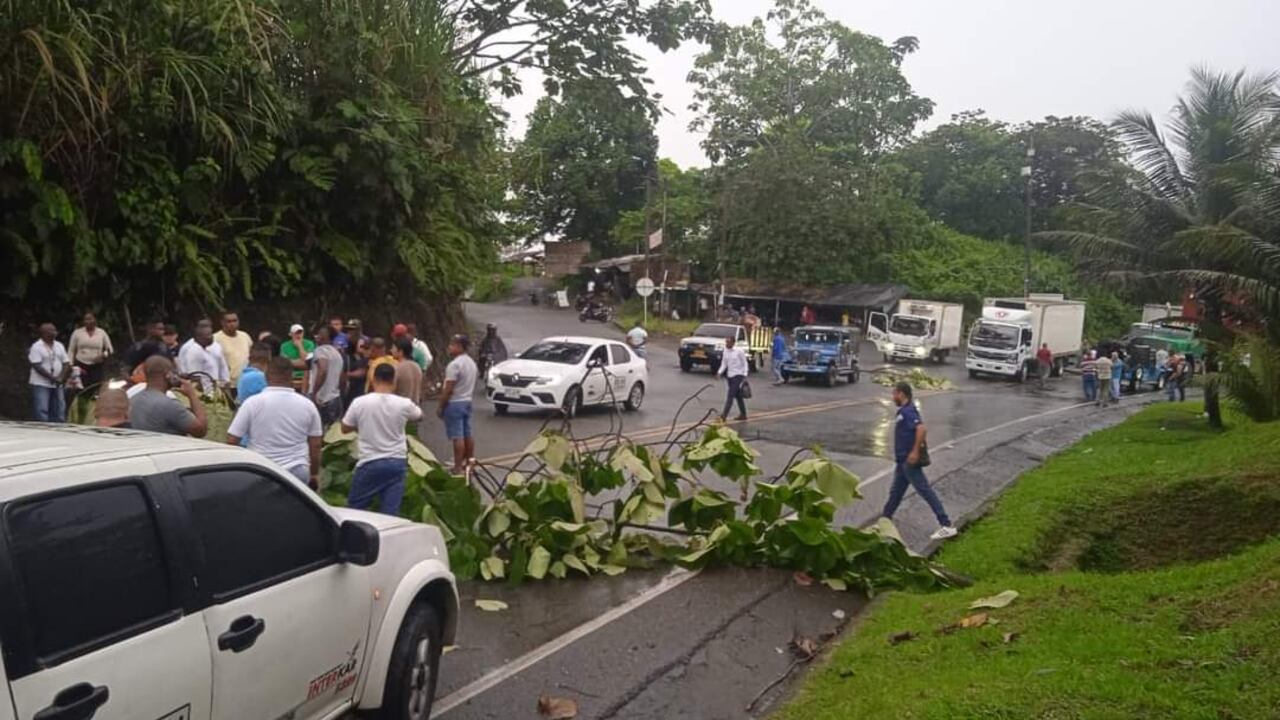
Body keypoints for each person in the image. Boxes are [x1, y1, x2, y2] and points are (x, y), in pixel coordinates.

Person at [228, 357, 324, 488]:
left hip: (262, 470)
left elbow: (232, 440)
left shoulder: (251, 403)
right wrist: (314, 474)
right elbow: (316, 444)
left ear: (266, 376)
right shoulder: (308, 405)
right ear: (291, 377)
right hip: (297, 470)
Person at [341, 363, 423, 514]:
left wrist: (363, 424)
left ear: (373, 379)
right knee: (390, 513)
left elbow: (345, 428)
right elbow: (419, 415)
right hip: (396, 463)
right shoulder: (403, 404)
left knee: (355, 511)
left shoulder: (360, 402)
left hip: (370, 462)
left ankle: (356, 537)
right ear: (394, 381)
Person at [880, 382, 958, 541]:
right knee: (896, 493)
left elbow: (921, 429)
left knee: (925, 491)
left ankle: (946, 525)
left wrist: (915, 451)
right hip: (903, 461)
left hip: (909, 461)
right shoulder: (905, 410)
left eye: (894, 393)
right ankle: (884, 520)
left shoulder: (908, 411)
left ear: (901, 394)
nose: (892, 396)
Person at [130, 356, 208, 437]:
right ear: (168, 375)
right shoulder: (170, 404)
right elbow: (201, 430)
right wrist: (192, 395)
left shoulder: (133, 399)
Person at [438, 334, 478, 474]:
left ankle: (457, 466)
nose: (449, 347)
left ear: (460, 347)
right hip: (467, 400)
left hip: (455, 403)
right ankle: (470, 461)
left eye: (452, 344)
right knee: (468, 433)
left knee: (457, 436)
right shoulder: (471, 363)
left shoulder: (454, 365)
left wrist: (441, 406)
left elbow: (448, 388)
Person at [29, 323, 71, 422]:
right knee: (42, 409)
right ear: (43, 333)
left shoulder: (59, 345)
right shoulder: (36, 347)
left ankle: (59, 429)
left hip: (58, 383)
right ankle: (43, 430)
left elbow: (66, 363)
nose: (54, 332)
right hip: (41, 383)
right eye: (51, 331)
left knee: (59, 408)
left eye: (55, 330)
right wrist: (52, 378)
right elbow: (36, 365)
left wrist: (61, 377)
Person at [177, 319, 230, 392]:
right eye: (203, 327)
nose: (208, 330)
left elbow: (222, 366)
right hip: (203, 393)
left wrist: (225, 383)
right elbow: (194, 376)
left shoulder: (216, 345)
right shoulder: (192, 349)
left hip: (217, 390)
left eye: (209, 327)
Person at [68, 312, 114, 391]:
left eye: (90, 319)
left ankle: (95, 402)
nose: (88, 321)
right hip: (81, 365)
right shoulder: (77, 333)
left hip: (97, 366)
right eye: (85, 319)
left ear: (95, 320)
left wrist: (103, 355)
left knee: (96, 387)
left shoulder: (101, 333)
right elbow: (71, 350)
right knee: (82, 389)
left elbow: (110, 349)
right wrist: (71, 365)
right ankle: (83, 403)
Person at [311, 327, 346, 425]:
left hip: (322, 399)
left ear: (325, 337)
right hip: (335, 398)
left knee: (319, 430)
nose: (317, 336)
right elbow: (342, 378)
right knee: (332, 434)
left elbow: (322, 370)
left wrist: (314, 393)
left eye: (320, 333)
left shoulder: (320, 351)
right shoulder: (337, 354)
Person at [213, 310, 253, 384]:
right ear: (222, 323)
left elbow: (251, 356)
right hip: (226, 384)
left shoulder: (245, 336)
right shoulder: (215, 339)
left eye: (235, 321)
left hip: (245, 382)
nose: (232, 324)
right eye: (229, 321)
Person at [718, 335, 750, 422]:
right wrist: (719, 372)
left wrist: (745, 374)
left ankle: (724, 416)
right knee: (738, 396)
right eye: (726, 342)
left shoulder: (739, 351)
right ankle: (743, 414)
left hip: (738, 376)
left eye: (728, 342)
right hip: (730, 376)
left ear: (733, 343)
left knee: (730, 395)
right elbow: (724, 363)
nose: (727, 344)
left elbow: (745, 363)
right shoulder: (725, 351)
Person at [281, 323, 316, 390]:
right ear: (290, 334)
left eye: (300, 333)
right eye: (296, 333)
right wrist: (301, 362)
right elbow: (285, 362)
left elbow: (307, 361)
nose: (298, 335)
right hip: (291, 376)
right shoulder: (284, 346)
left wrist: (299, 346)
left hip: (306, 377)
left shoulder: (309, 344)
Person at [391, 337, 424, 404]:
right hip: (414, 407)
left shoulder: (397, 368)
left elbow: (392, 389)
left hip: (400, 407)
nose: (391, 350)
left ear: (400, 352)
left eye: (393, 348)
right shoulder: (417, 367)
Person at [345, 337, 370, 406]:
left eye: (366, 347)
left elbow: (362, 372)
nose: (364, 349)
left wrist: (347, 374)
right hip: (352, 390)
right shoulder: (348, 358)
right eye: (361, 346)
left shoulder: (368, 360)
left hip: (362, 390)